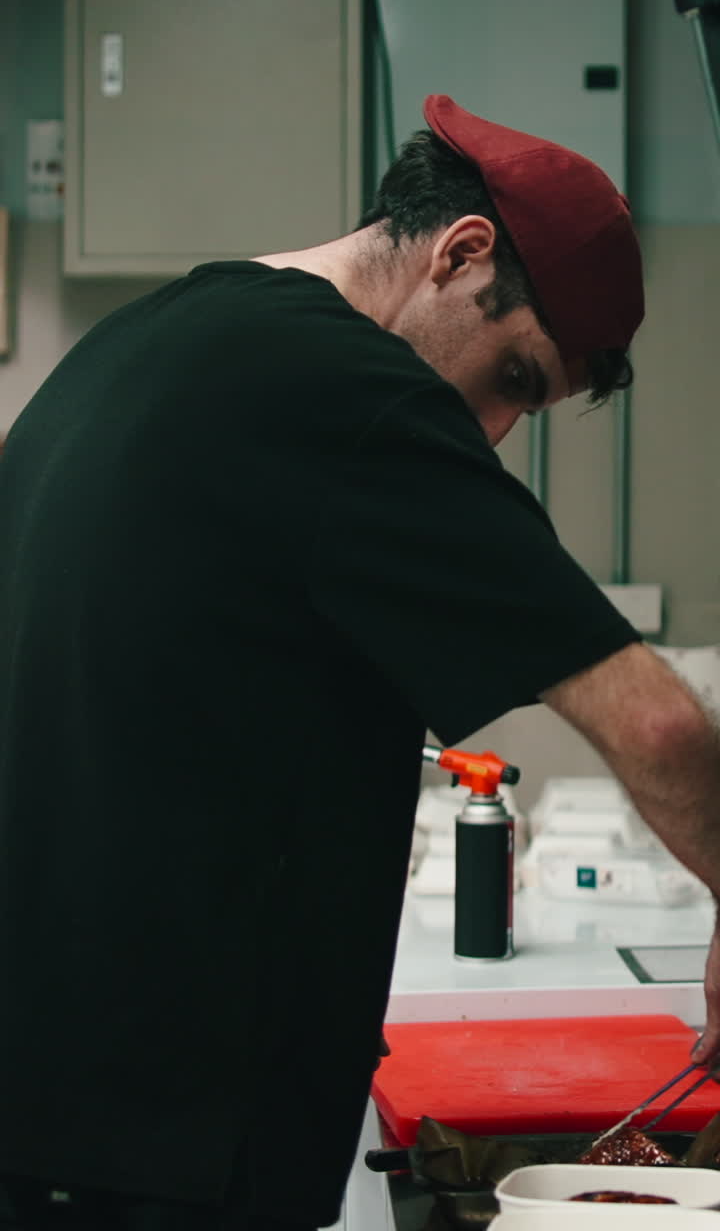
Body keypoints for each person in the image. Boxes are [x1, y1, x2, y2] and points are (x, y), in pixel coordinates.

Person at [0, 91, 718, 1231]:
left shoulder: (146, 341)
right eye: (516, 376)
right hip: (164, 1133)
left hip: (57, 1091)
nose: (489, 430)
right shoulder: (354, 395)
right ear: (462, 252)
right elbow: (663, 726)